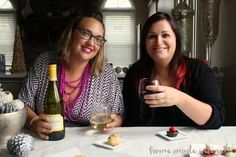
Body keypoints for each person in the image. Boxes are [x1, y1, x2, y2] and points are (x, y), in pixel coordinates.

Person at [19, 10, 124, 139]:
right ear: (71, 34)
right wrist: (33, 122)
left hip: (90, 141)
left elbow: (119, 115)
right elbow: (22, 103)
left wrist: (114, 122)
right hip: (46, 140)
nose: (91, 43)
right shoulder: (44, 63)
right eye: (86, 33)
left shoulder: (106, 74)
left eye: (98, 39)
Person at [122, 12, 224, 129]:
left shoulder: (198, 69)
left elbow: (217, 119)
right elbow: (129, 121)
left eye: (165, 35)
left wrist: (179, 99)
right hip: (145, 144)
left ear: (176, 39)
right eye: (152, 36)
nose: (159, 42)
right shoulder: (134, 73)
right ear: (145, 42)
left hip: (189, 144)